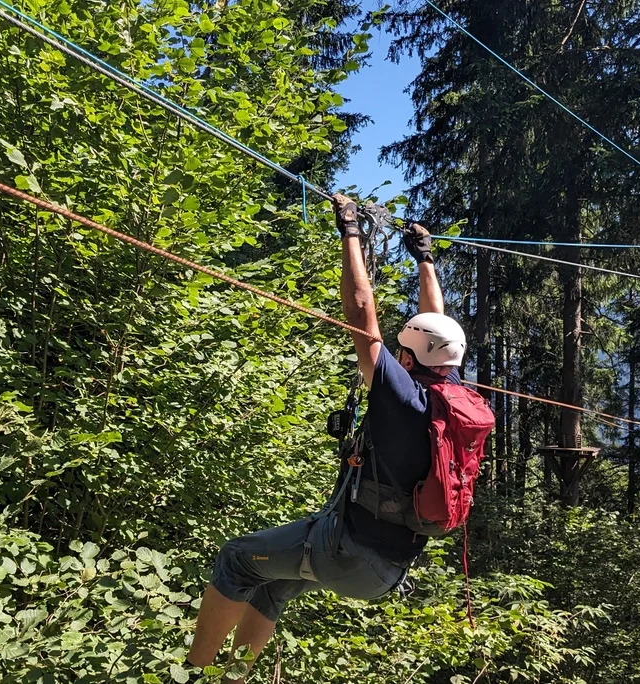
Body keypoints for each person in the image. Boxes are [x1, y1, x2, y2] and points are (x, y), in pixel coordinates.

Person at [186, 193, 468, 676]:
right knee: (273, 584)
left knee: (236, 559)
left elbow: (361, 311)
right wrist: (425, 258)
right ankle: (234, 676)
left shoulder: (399, 395)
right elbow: (436, 324)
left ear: (407, 359)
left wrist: (350, 230)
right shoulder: (448, 396)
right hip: (389, 567)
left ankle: (191, 675)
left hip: (348, 555)